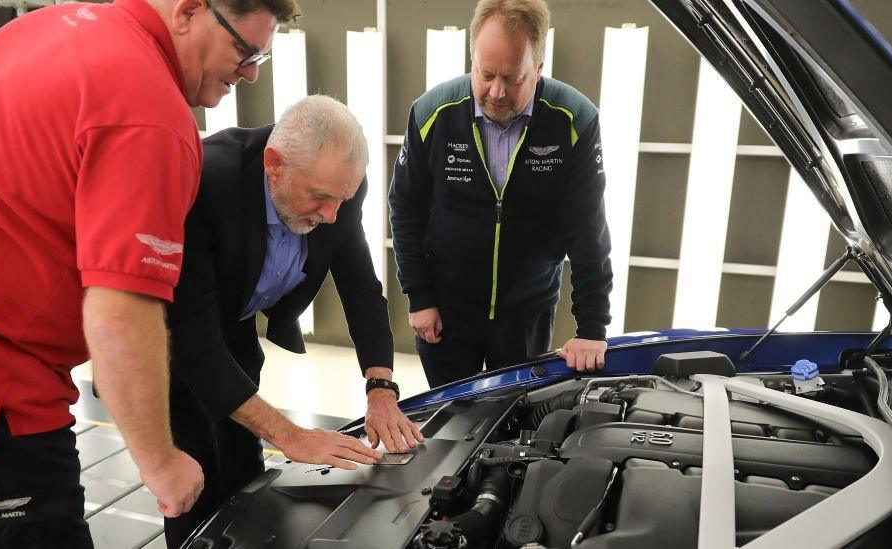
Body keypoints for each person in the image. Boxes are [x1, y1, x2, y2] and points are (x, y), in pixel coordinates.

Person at [0, 0, 298, 546]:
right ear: (189, 11)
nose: (251, 72)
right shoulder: (151, 114)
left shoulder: (45, 28)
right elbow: (121, 312)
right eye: (244, 50)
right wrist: (162, 461)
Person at [163, 95, 424, 547]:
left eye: (339, 200)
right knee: (195, 481)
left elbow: (360, 287)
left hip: (234, 329)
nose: (330, 216)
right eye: (319, 197)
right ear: (273, 164)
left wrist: (381, 387)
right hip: (169, 346)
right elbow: (194, 344)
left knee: (246, 475)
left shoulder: (338, 192)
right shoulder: (205, 184)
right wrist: (289, 434)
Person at [389, 0, 612, 389]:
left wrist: (592, 327)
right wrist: (419, 296)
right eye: (485, 73)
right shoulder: (432, 114)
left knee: (516, 425)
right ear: (472, 56)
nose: (496, 91)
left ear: (539, 67)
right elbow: (405, 208)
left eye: (512, 78)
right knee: (452, 421)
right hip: (447, 311)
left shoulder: (574, 119)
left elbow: (587, 229)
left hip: (527, 313)